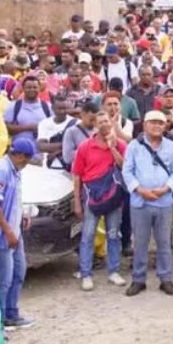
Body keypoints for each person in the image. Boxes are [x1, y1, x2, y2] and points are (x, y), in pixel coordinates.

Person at [123, 111, 173, 296]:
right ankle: (138, 280)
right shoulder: (134, 146)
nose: (157, 126)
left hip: (164, 202)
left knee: (164, 243)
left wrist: (166, 188)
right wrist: (140, 190)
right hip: (140, 202)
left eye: (160, 123)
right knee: (140, 243)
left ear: (165, 126)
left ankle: (165, 279)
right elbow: (127, 171)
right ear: (145, 125)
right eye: (152, 122)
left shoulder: (171, 146)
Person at [70, 110, 128, 291]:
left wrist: (112, 148)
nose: (104, 124)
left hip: (113, 195)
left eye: (107, 121)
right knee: (88, 235)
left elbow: (125, 167)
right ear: (95, 124)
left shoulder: (120, 144)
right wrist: (77, 202)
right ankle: (86, 274)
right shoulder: (85, 147)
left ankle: (114, 271)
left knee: (113, 234)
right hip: (91, 195)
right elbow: (77, 176)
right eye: (100, 121)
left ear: (111, 123)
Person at [0, 138, 37, 330]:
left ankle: (11, 314)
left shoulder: (15, 171)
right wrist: (8, 230)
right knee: (3, 280)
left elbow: (13, 199)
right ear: (18, 155)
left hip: (14, 232)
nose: (25, 164)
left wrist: (22, 215)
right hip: (2, 235)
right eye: (25, 159)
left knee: (18, 273)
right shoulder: (1, 170)